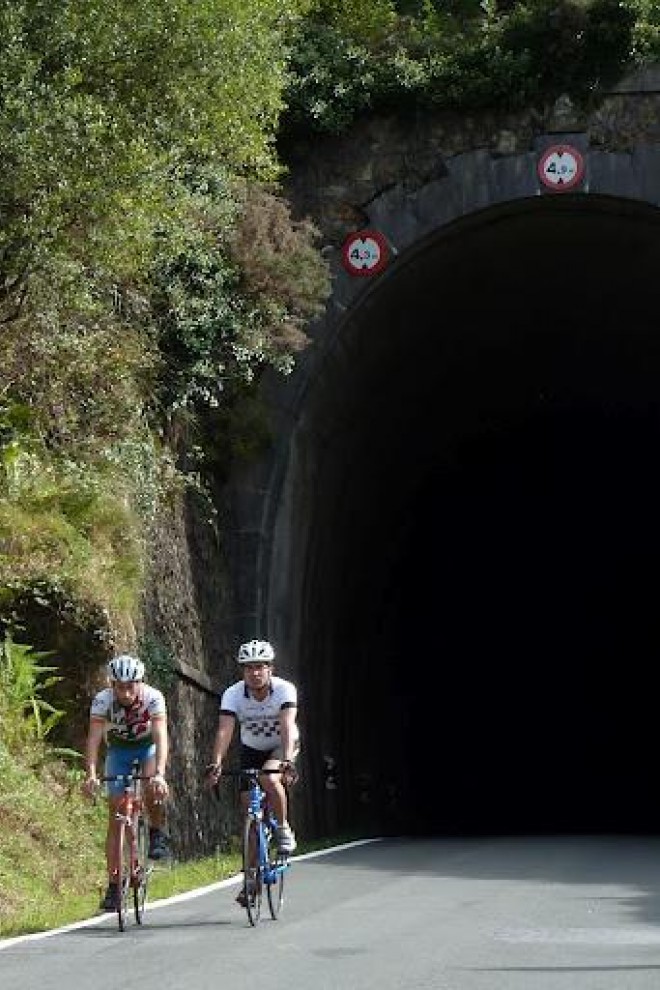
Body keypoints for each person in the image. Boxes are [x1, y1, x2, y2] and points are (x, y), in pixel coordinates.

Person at [83, 654, 170, 911]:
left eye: (131, 685)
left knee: (153, 788)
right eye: (120, 686)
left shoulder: (154, 698)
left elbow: (160, 736)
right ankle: (113, 885)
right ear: (112, 685)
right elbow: (94, 739)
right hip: (118, 750)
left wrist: (160, 773)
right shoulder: (102, 701)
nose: (126, 692)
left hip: (147, 749)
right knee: (116, 814)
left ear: (140, 682)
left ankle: (155, 831)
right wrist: (90, 773)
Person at [207, 639, 299, 864]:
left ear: (270, 669)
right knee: (249, 809)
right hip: (252, 748)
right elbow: (225, 730)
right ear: (242, 671)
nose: (254, 672)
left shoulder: (284, 689)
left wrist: (287, 760)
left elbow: (287, 725)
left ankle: (283, 828)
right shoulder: (233, 694)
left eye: (260, 666)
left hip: (281, 745)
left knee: (269, 777)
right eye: (249, 667)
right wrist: (216, 763)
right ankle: (251, 879)